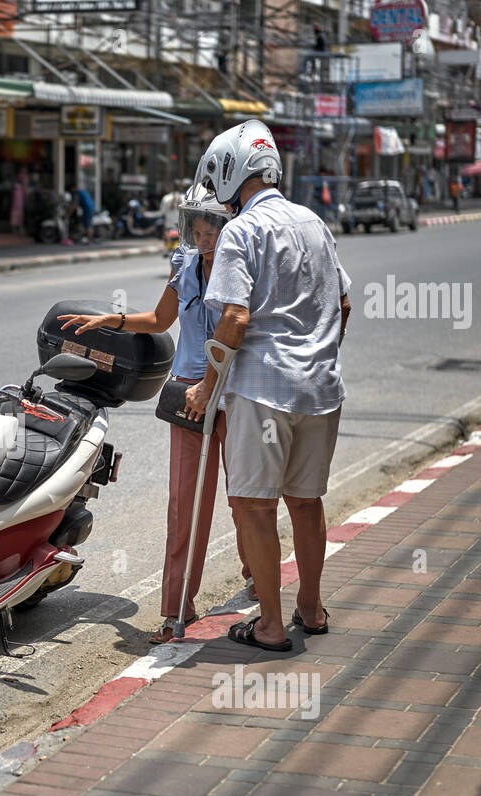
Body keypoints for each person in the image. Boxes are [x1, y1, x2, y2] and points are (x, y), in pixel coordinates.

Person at [56, 186, 251, 642]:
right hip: (188, 395)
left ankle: (255, 576)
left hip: (235, 392)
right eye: (196, 228)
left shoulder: (242, 265)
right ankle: (175, 612)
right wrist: (112, 321)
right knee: (185, 506)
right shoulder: (185, 263)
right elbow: (161, 319)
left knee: (246, 498)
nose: (203, 238)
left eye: (211, 229)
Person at [188, 119, 352, 651]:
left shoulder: (241, 231)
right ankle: (312, 607)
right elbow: (343, 303)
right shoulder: (313, 222)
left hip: (263, 391)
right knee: (306, 502)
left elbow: (233, 319)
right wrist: (318, 353)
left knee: (254, 506)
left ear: (234, 173)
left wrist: (206, 386)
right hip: (321, 391)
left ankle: (271, 626)